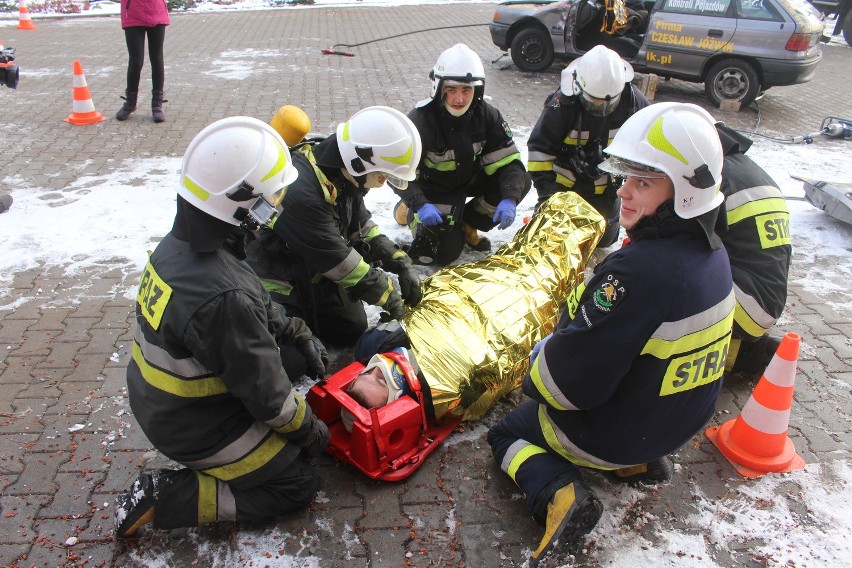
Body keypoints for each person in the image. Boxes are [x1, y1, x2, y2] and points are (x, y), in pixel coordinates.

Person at [487, 103, 735, 566]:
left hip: (621, 432)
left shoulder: (637, 273)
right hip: (678, 424)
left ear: (683, 193)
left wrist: (537, 366)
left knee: (507, 433)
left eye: (643, 182)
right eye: (627, 177)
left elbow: (564, 387)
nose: (623, 191)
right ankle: (637, 464)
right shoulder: (714, 254)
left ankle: (562, 495)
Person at [114, 117, 331, 538]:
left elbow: (252, 306)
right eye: (271, 198)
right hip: (194, 424)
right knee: (296, 482)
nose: (276, 206)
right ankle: (170, 496)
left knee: (286, 357)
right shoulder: (222, 293)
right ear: (241, 204)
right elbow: (269, 399)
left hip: (160, 397)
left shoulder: (187, 244)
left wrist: (296, 331)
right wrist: (311, 431)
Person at [245, 106, 423, 347]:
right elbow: (337, 260)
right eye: (382, 174)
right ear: (360, 163)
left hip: (312, 272)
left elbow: (361, 224)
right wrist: (389, 296)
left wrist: (400, 260)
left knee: (350, 329)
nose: (383, 182)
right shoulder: (300, 193)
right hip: (277, 282)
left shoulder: (343, 173)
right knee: (292, 358)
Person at [392, 43, 531, 266]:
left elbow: (509, 163)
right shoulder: (420, 121)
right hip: (433, 191)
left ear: (477, 90)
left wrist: (509, 198)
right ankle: (406, 210)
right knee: (440, 254)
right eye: (452, 90)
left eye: (466, 90)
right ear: (439, 88)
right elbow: (396, 174)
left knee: (519, 181)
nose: (459, 99)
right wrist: (419, 203)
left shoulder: (487, 115)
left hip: (470, 180)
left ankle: (467, 222)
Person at [527, 45, 648, 247]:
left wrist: (621, 171)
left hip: (605, 189)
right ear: (579, 88)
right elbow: (539, 152)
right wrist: (550, 197)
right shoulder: (561, 106)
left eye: (608, 103)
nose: (601, 108)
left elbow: (647, 151)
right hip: (563, 189)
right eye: (594, 101)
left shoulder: (634, 103)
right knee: (551, 239)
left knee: (603, 239)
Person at [715, 121, 791, 378]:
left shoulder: (716, 177)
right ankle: (749, 354)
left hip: (744, 304)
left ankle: (724, 358)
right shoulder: (751, 172)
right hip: (764, 301)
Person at [116, 0, 170, 123]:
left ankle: (157, 105)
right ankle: (130, 103)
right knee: (136, 61)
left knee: (157, 59)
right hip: (133, 13)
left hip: (156, 11)